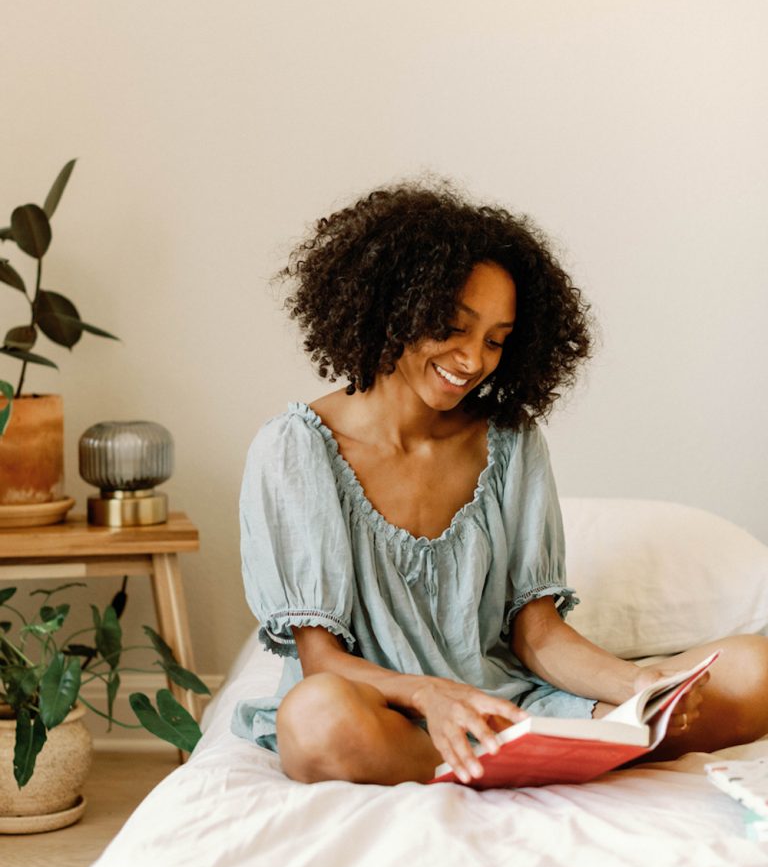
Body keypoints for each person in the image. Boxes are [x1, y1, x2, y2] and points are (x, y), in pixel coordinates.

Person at [233, 179, 768, 786]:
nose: (472, 360)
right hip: (388, 710)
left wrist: (636, 685)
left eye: (496, 341)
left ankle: (546, 746)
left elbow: (537, 631)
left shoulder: (510, 441)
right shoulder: (296, 448)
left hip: (514, 703)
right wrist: (433, 697)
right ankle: (559, 755)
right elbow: (320, 660)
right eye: (452, 328)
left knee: (753, 669)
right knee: (316, 719)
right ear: (391, 308)